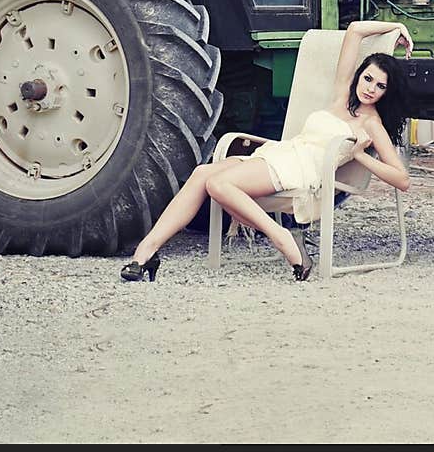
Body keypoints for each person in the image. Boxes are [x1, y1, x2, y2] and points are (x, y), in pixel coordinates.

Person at [120, 18, 413, 283]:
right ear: (359, 76)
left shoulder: (371, 124)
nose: (370, 88)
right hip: (283, 153)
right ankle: (146, 252)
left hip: (302, 171)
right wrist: (396, 26)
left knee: (218, 183)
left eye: (380, 86)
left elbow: (402, 179)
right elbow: (355, 31)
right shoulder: (341, 95)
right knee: (202, 174)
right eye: (368, 78)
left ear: (387, 93)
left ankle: (281, 238)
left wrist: (360, 155)